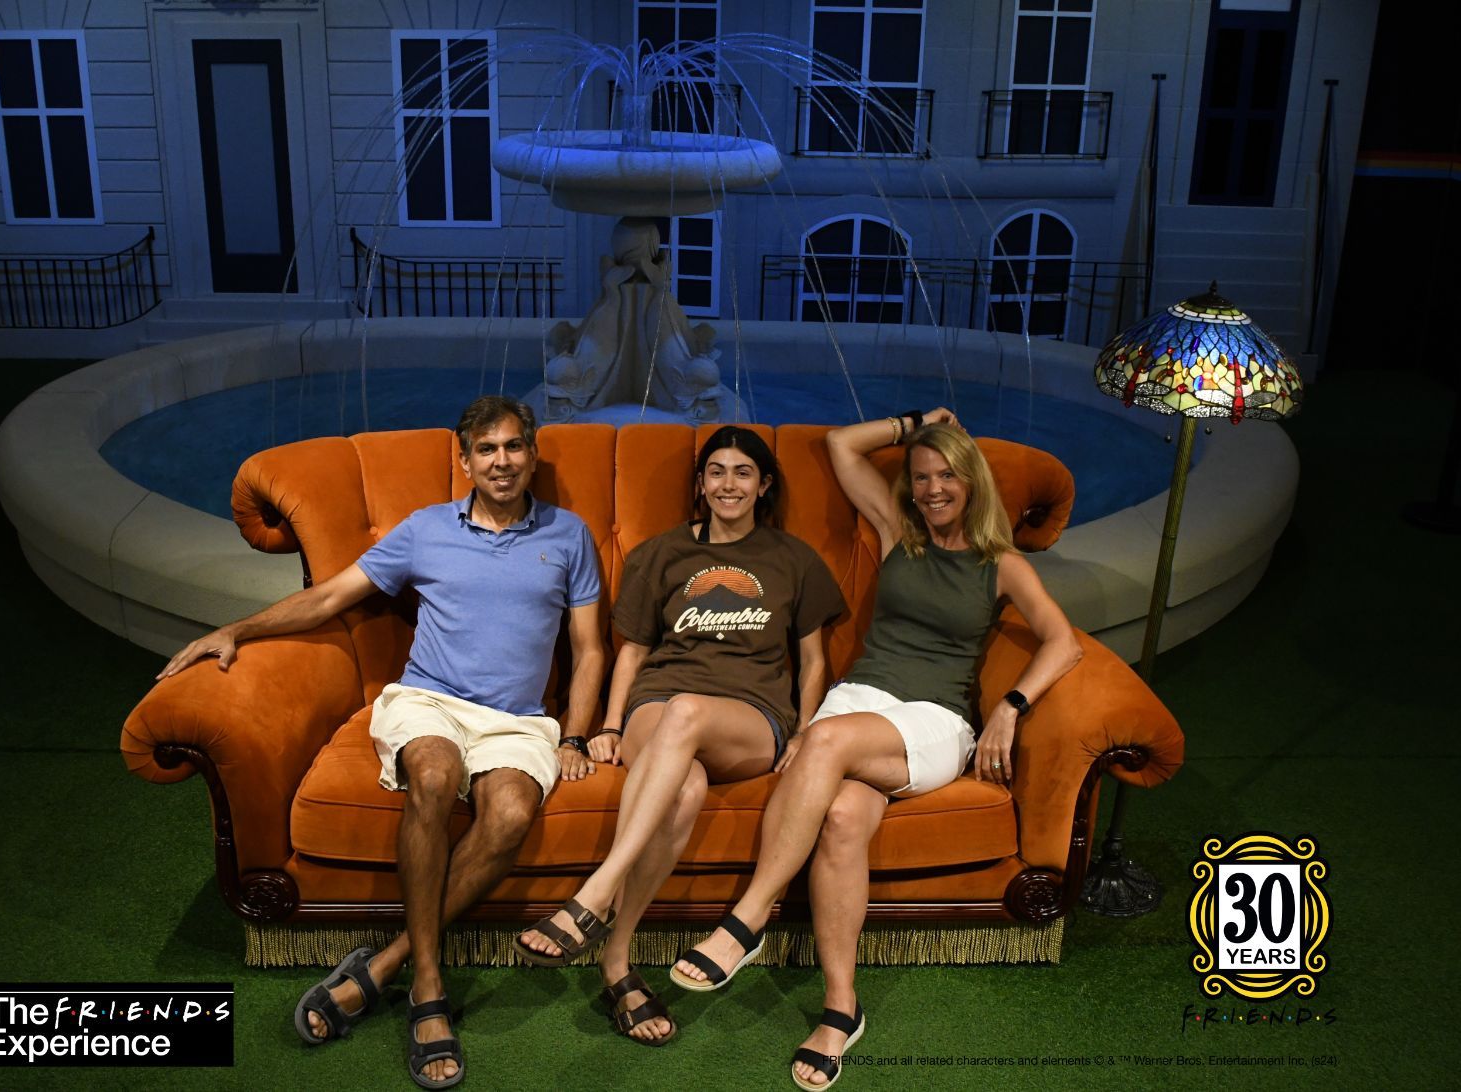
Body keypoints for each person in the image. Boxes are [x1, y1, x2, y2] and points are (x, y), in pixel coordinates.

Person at [156, 396, 605, 1090]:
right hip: (429, 700)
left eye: (514, 446)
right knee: (433, 777)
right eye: (486, 450)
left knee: (512, 815)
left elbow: (589, 646)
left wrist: (574, 734)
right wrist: (237, 630)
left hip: (518, 719)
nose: (502, 461)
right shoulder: (425, 529)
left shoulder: (568, 535)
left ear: (532, 454)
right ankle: (427, 986)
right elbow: (329, 596)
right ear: (464, 461)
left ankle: (383, 965)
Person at [668, 413, 1082, 1090]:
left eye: (946, 475)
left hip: (932, 717)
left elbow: (1062, 643)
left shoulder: (1000, 564)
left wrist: (1011, 706)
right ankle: (841, 1011)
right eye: (920, 477)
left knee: (821, 741)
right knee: (840, 820)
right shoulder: (899, 536)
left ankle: (748, 918)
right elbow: (841, 445)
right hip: (858, 701)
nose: (932, 489)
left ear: (971, 481)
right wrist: (916, 424)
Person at [513, 426, 846, 1047]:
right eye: (716, 471)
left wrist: (806, 730)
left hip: (749, 715)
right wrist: (611, 725)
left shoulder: (794, 559)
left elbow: (814, 661)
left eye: (743, 472)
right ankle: (617, 961)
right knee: (683, 787)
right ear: (701, 483)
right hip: (658, 704)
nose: (728, 484)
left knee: (687, 711)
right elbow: (633, 652)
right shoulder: (661, 554)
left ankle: (595, 892)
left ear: (763, 485)